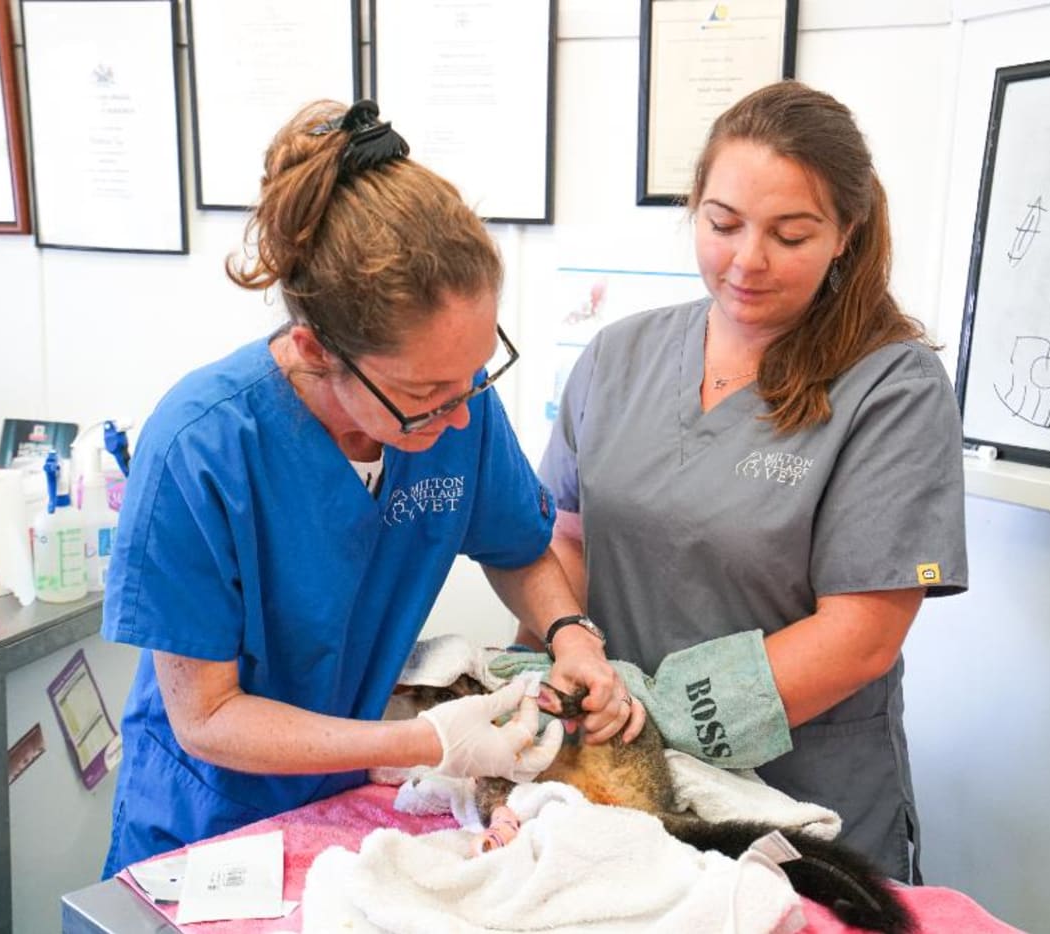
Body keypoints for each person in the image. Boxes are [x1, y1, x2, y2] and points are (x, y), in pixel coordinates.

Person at [100, 99, 641, 877]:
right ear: (317, 349)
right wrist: (430, 743)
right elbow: (208, 718)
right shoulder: (203, 447)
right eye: (427, 397)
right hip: (208, 824)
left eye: (476, 376)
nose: (459, 419)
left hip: (344, 802)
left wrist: (572, 637)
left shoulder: (458, 405)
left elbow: (519, 547)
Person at [532, 80, 968, 882]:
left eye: (791, 235)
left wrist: (650, 721)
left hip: (802, 806)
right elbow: (566, 540)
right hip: (617, 794)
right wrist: (555, 668)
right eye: (722, 224)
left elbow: (862, 634)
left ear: (847, 232)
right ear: (693, 206)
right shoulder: (618, 357)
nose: (747, 261)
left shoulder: (892, 388)